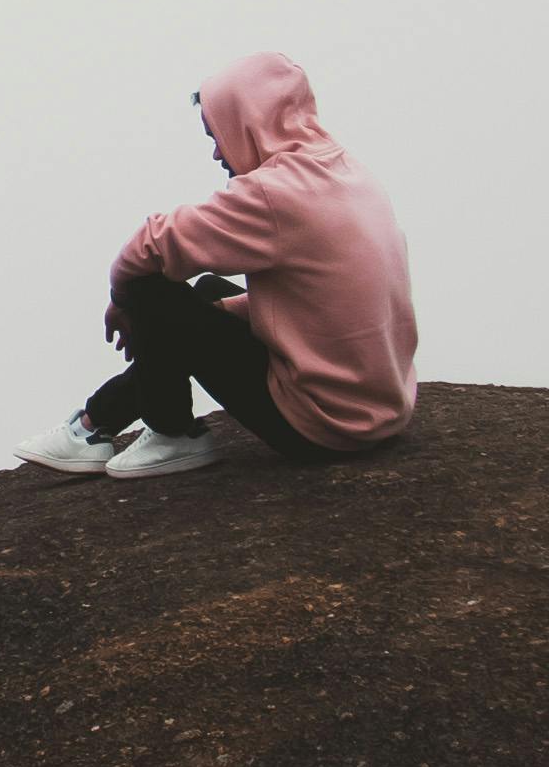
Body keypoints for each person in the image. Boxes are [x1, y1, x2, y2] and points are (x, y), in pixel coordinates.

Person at [25, 52, 416, 481]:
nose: (216, 153)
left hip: (323, 426)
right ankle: (93, 425)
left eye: (218, 134)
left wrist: (123, 300)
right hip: (383, 408)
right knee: (208, 292)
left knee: (147, 286)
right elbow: (331, 298)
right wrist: (209, 318)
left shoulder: (275, 193)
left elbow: (151, 243)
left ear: (247, 122)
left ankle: (170, 433)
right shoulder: (348, 173)